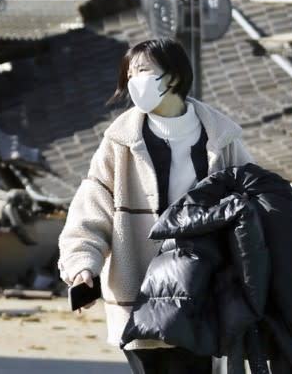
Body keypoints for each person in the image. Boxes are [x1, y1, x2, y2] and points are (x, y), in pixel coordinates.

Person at [57, 38, 253, 374]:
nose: (134, 81)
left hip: (203, 287)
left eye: (143, 71)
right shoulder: (119, 143)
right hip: (140, 292)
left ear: (173, 77)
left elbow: (254, 205)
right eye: (129, 74)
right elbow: (92, 209)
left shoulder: (223, 139)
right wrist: (81, 265)